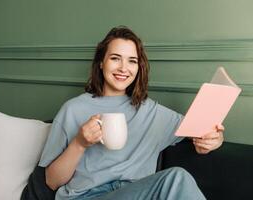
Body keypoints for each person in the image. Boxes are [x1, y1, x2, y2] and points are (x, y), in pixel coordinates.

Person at [37, 26, 224, 200]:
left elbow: (201, 128)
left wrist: (215, 139)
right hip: (86, 196)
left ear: (138, 67)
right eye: (115, 58)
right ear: (101, 62)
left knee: (178, 179)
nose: (123, 68)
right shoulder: (73, 109)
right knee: (176, 178)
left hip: (139, 193)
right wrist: (79, 143)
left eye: (132, 61)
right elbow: (52, 181)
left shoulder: (152, 112)